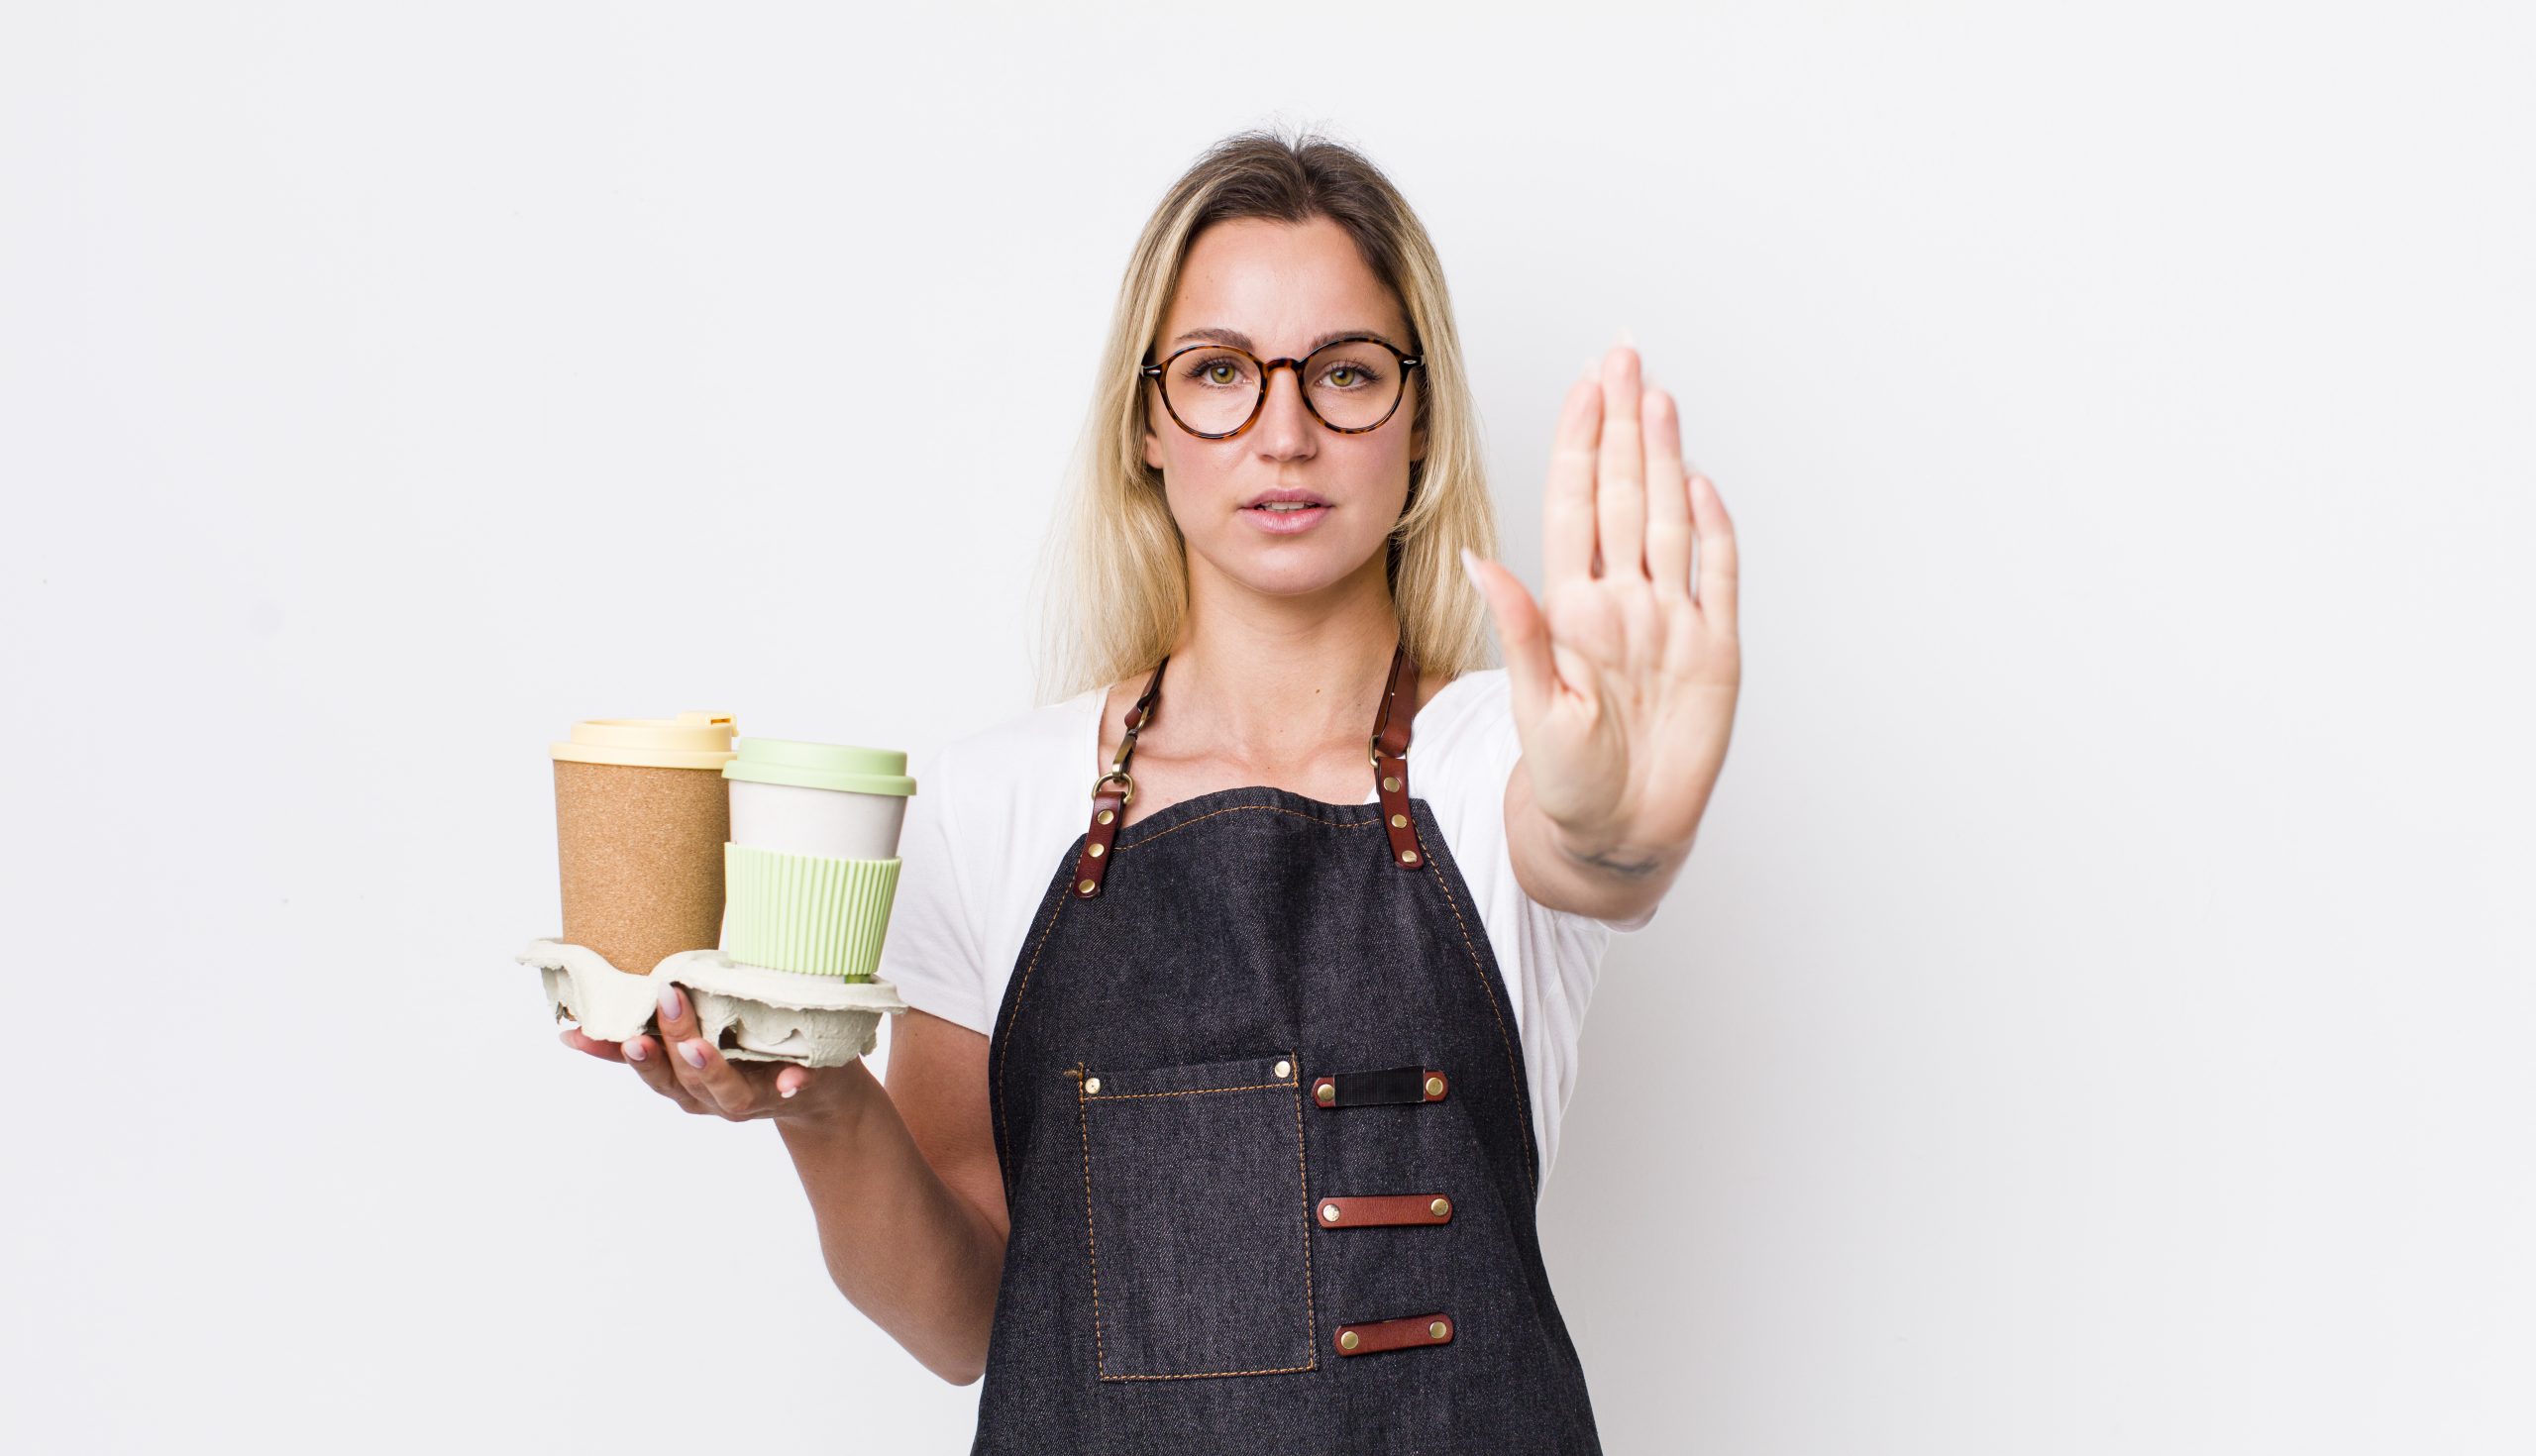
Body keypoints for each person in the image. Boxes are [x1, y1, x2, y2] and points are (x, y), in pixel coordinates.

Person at [562, 128, 1741, 1452]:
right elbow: (963, 1320)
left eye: (1346, 372)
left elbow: (1590, 846)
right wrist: (827, 1105)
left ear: (1418, 424)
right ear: (1145, 423)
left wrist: (1621, 822)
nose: (1284, 432)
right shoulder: (992, 803)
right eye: (1221, 372)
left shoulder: (1496, 760)